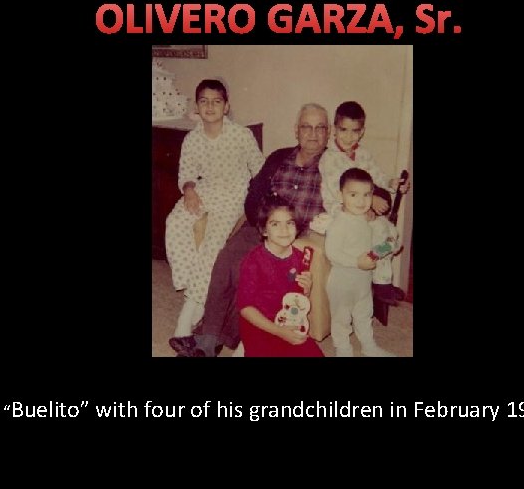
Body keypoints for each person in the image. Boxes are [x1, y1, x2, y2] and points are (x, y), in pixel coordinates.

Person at [169, 103, 331, 357]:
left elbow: (363, 183)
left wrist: (380, 197)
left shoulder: (333, 166)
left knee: (253, 273)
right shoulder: (279, 157)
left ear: (328, 132)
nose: (313, 133)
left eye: (320, 127)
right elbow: (253, 194)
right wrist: (261, 223)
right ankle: (209, 339)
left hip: (290, 236)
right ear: (296, 131)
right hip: (259, 226)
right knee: (226, 261)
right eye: (306, 127)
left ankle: (229, 338)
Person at [165, 79, 265, 338]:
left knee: (212, 245)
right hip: (205, 191)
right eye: (204, 101)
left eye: (216, 101)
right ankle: (195, 290)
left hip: (233, 195)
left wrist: (253, 205)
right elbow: (186, 172)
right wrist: (188, 190)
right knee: (174, 223)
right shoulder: (192, 138)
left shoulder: (241, 135)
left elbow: (259, 169)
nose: (210, 106)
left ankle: (190, 310)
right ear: (197, 107)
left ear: (226, 106)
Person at [318, 101, 406, 305]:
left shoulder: (364, 154)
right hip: (342, 211)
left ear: (362, 131)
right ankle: (381, 284)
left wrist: (391, 184)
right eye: (344, 130)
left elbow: (377, 176)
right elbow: (339, 191)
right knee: (378, 231)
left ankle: (381, 277)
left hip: (363, 208)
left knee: (391, 233)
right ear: (334, 129)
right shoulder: (330, 158)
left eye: (354, 131)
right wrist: (370, 200)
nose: (349, 137)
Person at [236, 194, 324, 357]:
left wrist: (306, 290)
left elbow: (295, 299)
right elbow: (245, 308)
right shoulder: (253, 261)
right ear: (263, 230)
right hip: (260, 324)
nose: (284, 230)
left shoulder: (300, 257)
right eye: (275, 224)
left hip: (288, 319)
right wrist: (278, 331)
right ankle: (244, 347)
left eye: (289, 223)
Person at [324, 167, 397, 357]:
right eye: (353, 194)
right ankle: (343, 348)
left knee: (364, 314)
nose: (361, 201)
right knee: (341, 319)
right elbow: (332, 252)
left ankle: (368, 345)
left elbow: (370, 251)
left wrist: (386, 247)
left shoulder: (366, 220)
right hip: (342, 283)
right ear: (341, 196)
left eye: (366, 195)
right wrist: (357, 262)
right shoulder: (340, 223)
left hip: (363, 282)